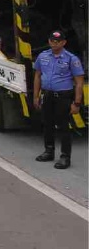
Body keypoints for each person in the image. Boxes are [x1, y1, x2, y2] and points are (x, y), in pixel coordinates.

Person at [33, 30, 85, 169]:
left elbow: (79, 82)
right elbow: (37, 76)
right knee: (47, 124)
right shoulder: (43, 56)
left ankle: (65, 157)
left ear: (64, 42)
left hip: (63, 97)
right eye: (52, 41)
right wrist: (36, 96)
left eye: (58, 41)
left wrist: (77, 103)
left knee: (63, 127)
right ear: (49, 41)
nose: (54, 44)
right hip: (47, 95)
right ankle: (49, 151)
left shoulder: (71, 59)